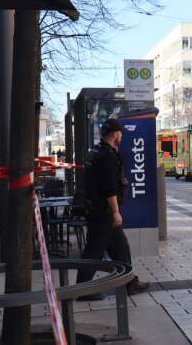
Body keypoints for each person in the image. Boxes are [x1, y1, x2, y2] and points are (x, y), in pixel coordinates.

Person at [76, 118, 149, 300]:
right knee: (94, 251)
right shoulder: (107, 157)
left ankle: (129, 283)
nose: (121, 137)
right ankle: (83, 290)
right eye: (121, 134)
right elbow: (109, 189)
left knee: (120, 249)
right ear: (116, 134)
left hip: (97, 211)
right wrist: (116, 212)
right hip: (103, 213)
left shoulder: (97, 152)